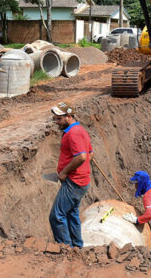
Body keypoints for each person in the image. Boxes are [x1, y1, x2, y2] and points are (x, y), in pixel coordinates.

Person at [48, 102, 93, 248]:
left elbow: (81, 157)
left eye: (59, 119)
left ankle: (66, 248)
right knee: (71, 214)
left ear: (68, 116)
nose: (56, 122)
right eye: (55, 119)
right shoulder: (79, 130)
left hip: (74, 182)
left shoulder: (73, 133)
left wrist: (65, 172)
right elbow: (90, 153)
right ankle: (76, 246)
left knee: (57, 216)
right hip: (80, 180)